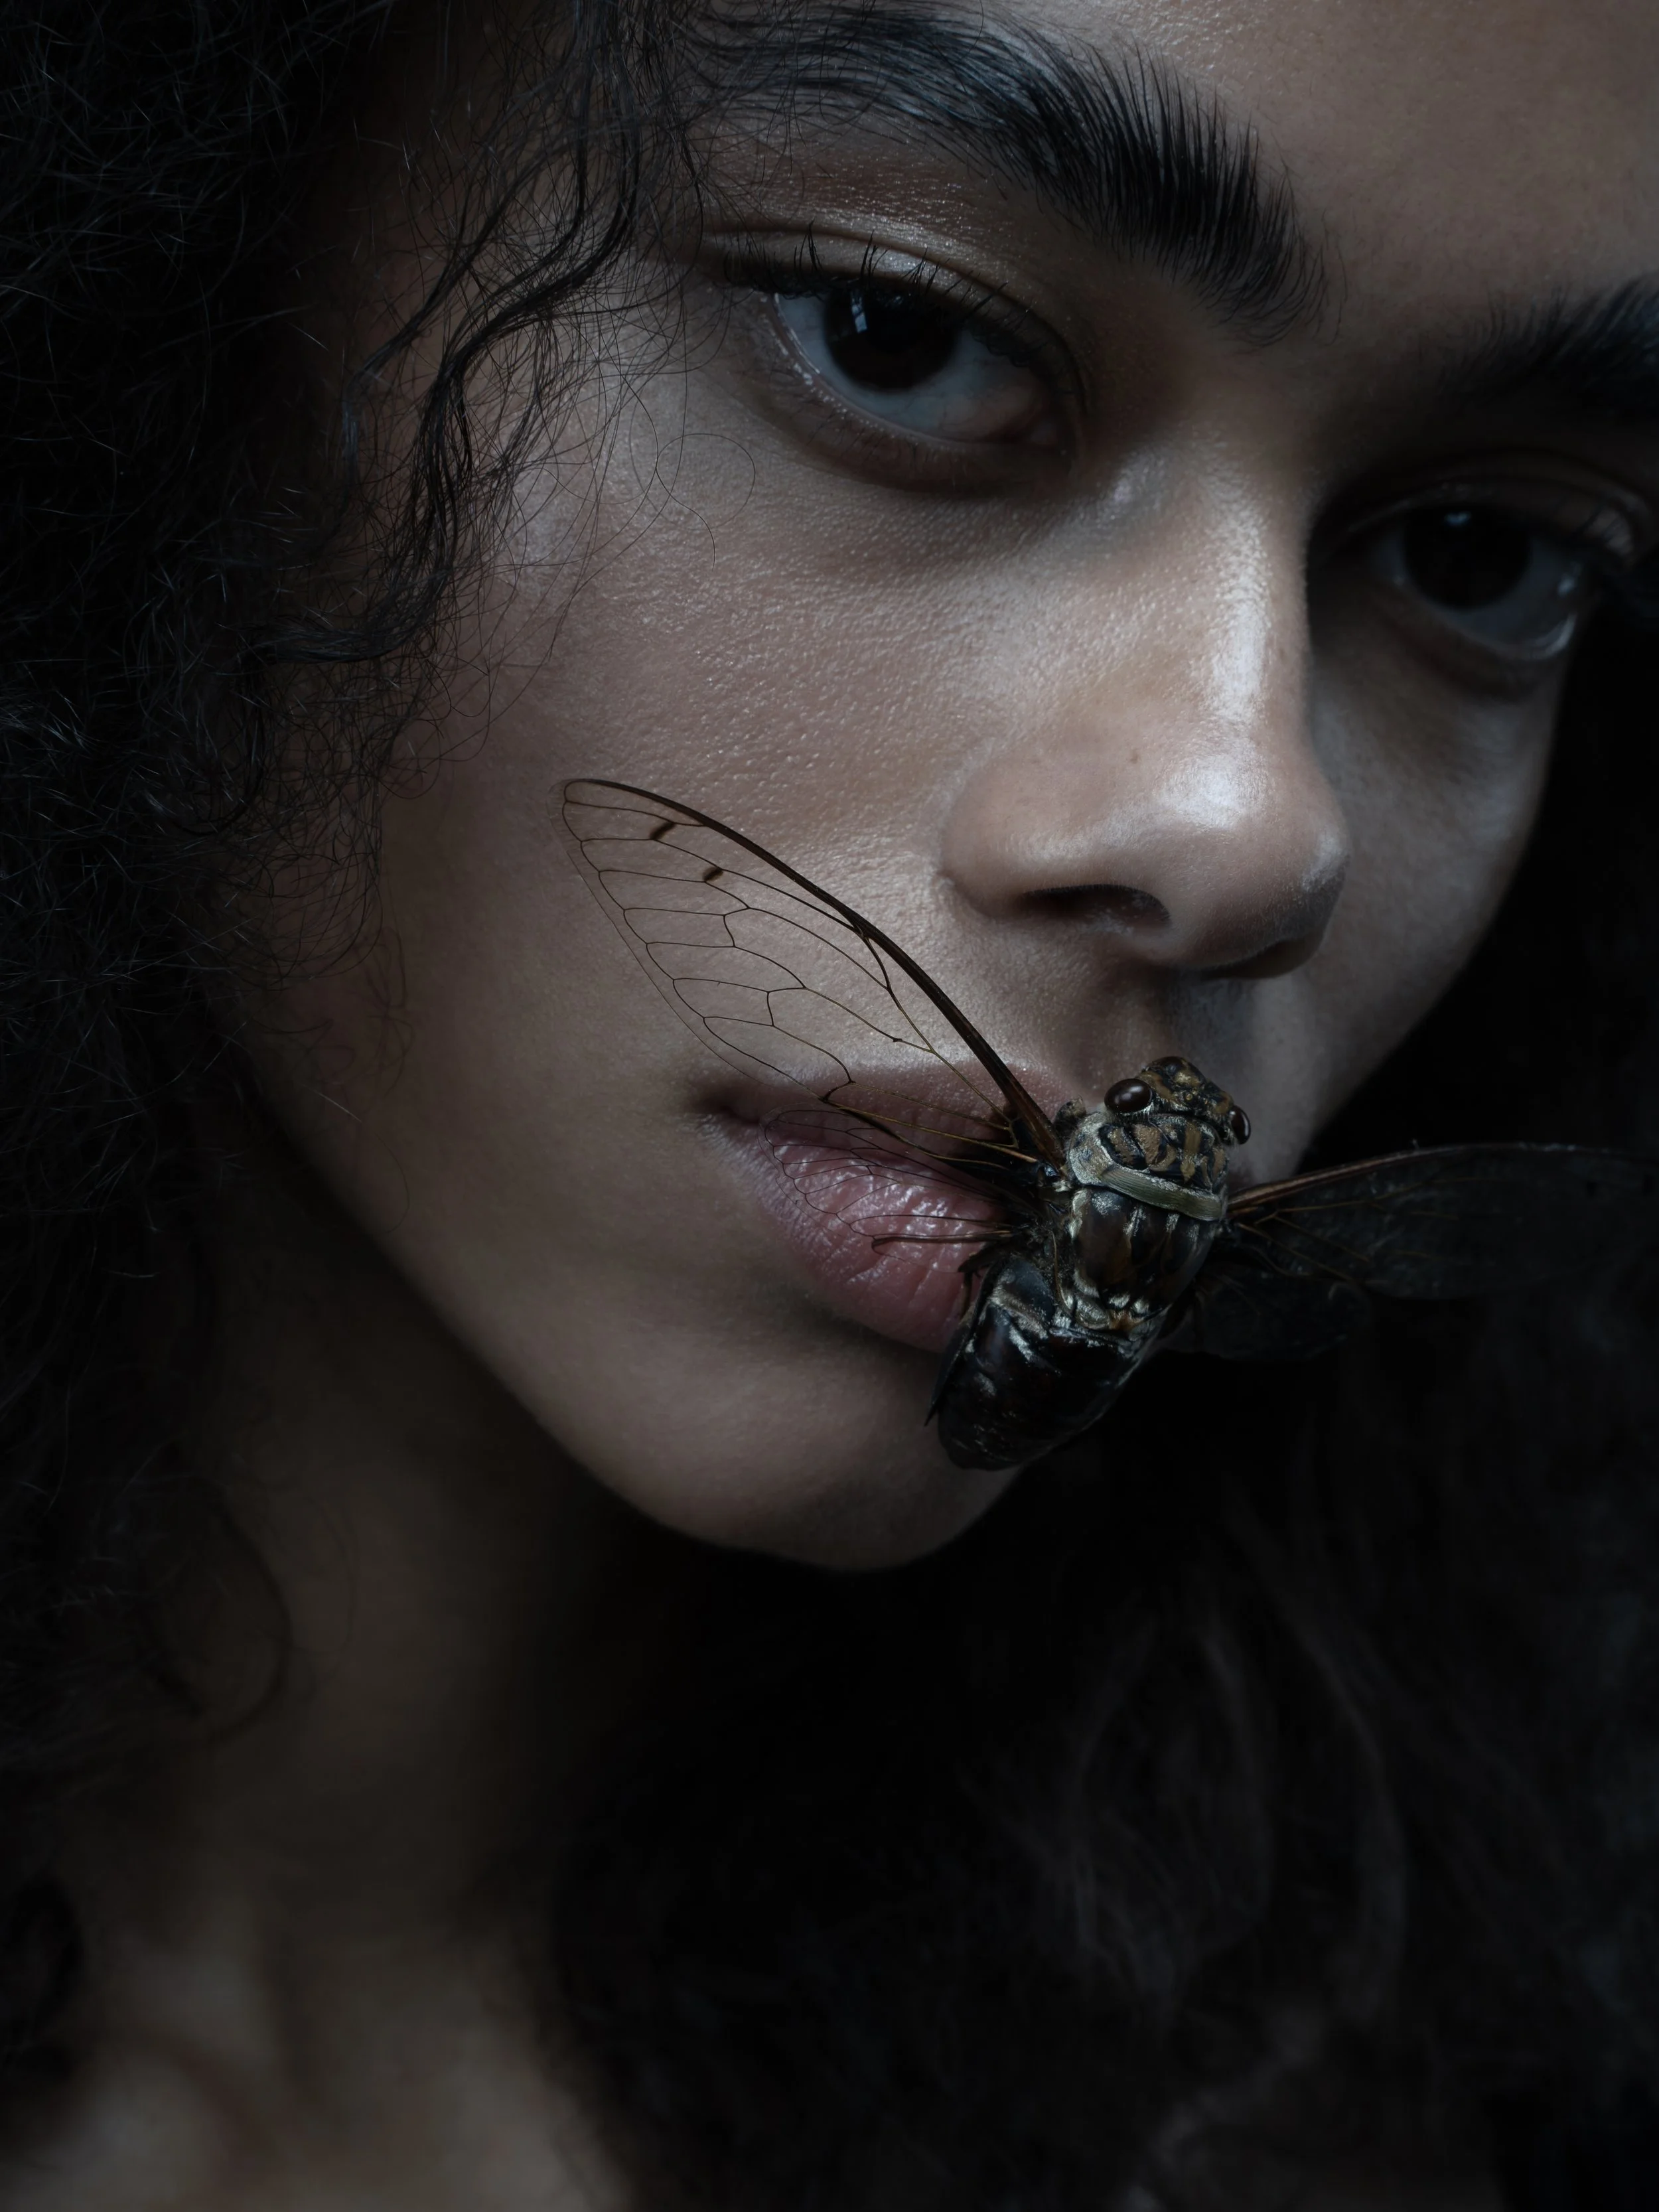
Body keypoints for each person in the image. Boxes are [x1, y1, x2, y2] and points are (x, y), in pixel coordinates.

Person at [3, 0, 1658, 2203]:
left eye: (1481, 556)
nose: (1253, 822)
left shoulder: (1370, 2107)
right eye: (893, 336)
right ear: (174, 263)